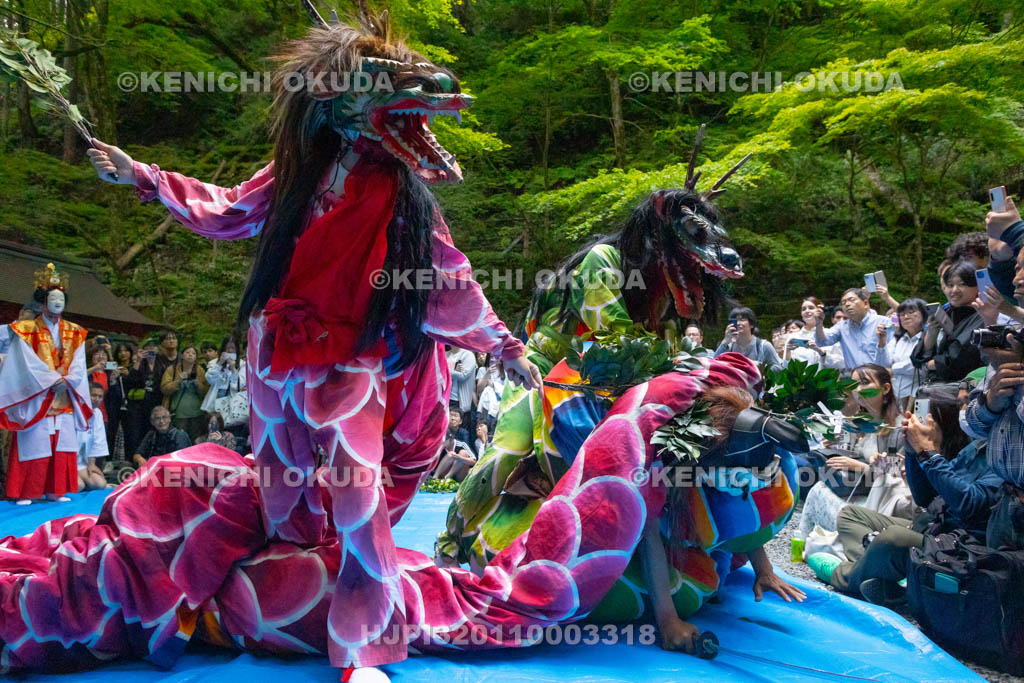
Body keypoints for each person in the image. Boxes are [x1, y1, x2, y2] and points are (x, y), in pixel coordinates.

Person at [89, 16, 541, 680]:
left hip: (349, 364)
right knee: (286, 507)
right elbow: (226, 208)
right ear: (341, 99)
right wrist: (144, 176)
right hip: (276, 355)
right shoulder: (297, 174)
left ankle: (364, 652)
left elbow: (449, 277)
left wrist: (502, 344)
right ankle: (268, 585)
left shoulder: (406, 200)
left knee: (358, 504)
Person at [809, 383, 1002, 604]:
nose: (969, 412)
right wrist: (912, 451)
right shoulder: (977, 446)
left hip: (958, 545)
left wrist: (926, 452)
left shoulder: (1004, 459)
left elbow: (967, 503)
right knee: (850, 515)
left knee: (892, 537)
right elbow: (926, 498)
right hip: (933, 526)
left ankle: (845, 575)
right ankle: (876, 571)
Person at [0, 263, 92, 505]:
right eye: (53, 297)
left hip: (65, 395)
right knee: (34, 443)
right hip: (38, 393)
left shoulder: (76, 331)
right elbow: (25, 362)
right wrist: (51, 380)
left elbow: (80, 363)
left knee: (61, 444)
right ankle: (25, 491)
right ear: (42, 303)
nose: (58, 301)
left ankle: (55, 490)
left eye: (61, 297)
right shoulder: (25, 330)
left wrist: (70, 380)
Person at [799, 363, 912, 540]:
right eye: (854, 385)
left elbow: (901, 473)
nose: (858, 389)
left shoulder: (899, 428)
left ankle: (805, 545)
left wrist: (860, 466)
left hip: (877, 503)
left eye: (865, 383)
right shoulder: (856, 422)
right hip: (851, 489)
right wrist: (834, 445)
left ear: (885, 388)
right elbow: (848, 454)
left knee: (816, 490)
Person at [911, 260, 984, 384]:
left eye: (962, 284)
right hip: (934, 389)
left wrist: (927, 364)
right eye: (950, 285)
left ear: (978, 285)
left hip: (965, 390)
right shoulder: (944, 313)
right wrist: (932, 333)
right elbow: (917, 357)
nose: (954, 290)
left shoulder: (984, 315)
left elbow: (960, 360)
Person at [814, 288, 889, 371]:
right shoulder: (841, 327)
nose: (847, 304)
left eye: (851, 300)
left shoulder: (883, 322)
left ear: (865, 303)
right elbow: (821, 341)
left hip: (880, 378)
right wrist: (818, 323)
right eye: (843, 303)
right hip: (854, 380)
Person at [877, 298, 927, 409]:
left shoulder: (928, 338)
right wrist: (881, 343)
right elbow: (882, 365)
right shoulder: (898, 339)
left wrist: (893, 369)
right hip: (894, 397)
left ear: (924, 314)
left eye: (911, 312)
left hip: (917, 398)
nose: (906, 317)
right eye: (902, 314)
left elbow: (920, 364)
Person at [161, 345, 209, 442]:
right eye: (187, 352)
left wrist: (197, 384)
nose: (190, 355)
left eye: (193, 353)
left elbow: (206, 391)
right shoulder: (172, 370)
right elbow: (164, 388)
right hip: (178, 413)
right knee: (179, 440)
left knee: (195, 440)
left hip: (197, 413)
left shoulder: (200, 370)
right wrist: (178, 382)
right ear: (182, 355)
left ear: (196, 357)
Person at [123, 340, 162, 460]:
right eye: (148, 348)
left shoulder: (162, 364)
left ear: (158, 350)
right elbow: (130, 381)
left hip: (154, 402)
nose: (151, 350)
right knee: (135, 433)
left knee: (151, 431)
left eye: (153, 348)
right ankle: (133, 459)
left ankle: (150, 458)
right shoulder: (139, 363)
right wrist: (139, 360)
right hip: (137, 404)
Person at [714, 306, 784, 371]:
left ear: (751, 324)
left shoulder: (764, 346)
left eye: (742, 320)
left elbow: (778, 369)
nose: (738, 323)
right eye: (735, 320)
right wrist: (726, 340)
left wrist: (758, 365)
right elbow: (713, 365)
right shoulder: (728, 347)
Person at [77, 382, 109, 491]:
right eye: (94, 395)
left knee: (100, 484)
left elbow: (97, 441)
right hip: (68, 461)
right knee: (79, 486)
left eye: (100, 396)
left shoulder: (98, 413)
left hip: (82, 462)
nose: (97, 399)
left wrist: (91, 464)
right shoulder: (74, 411)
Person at [447, 345, 477, 422]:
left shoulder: (468, 355)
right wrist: (454, 372)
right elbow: (438, 374)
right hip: (445, 398)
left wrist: (447, 371)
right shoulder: (445, 354)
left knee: (458, 429)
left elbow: (463, 376)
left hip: (459, 401)